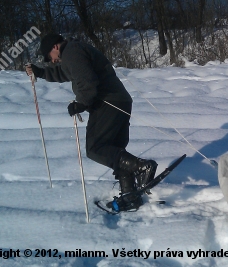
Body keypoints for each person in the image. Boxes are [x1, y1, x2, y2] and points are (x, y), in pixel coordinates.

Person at [26, 33, 157, 211]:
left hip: (108, 103)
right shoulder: (74, 52)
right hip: (120, 101)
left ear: (55, 47)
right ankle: (130, 195)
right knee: (115, 152)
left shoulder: (72, 52)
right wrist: (40, 72)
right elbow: (64, 72)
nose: (51, 60)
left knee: (96, 148)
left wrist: (81, 103)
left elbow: (87, 81)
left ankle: (142, 167)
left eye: (49, 56)